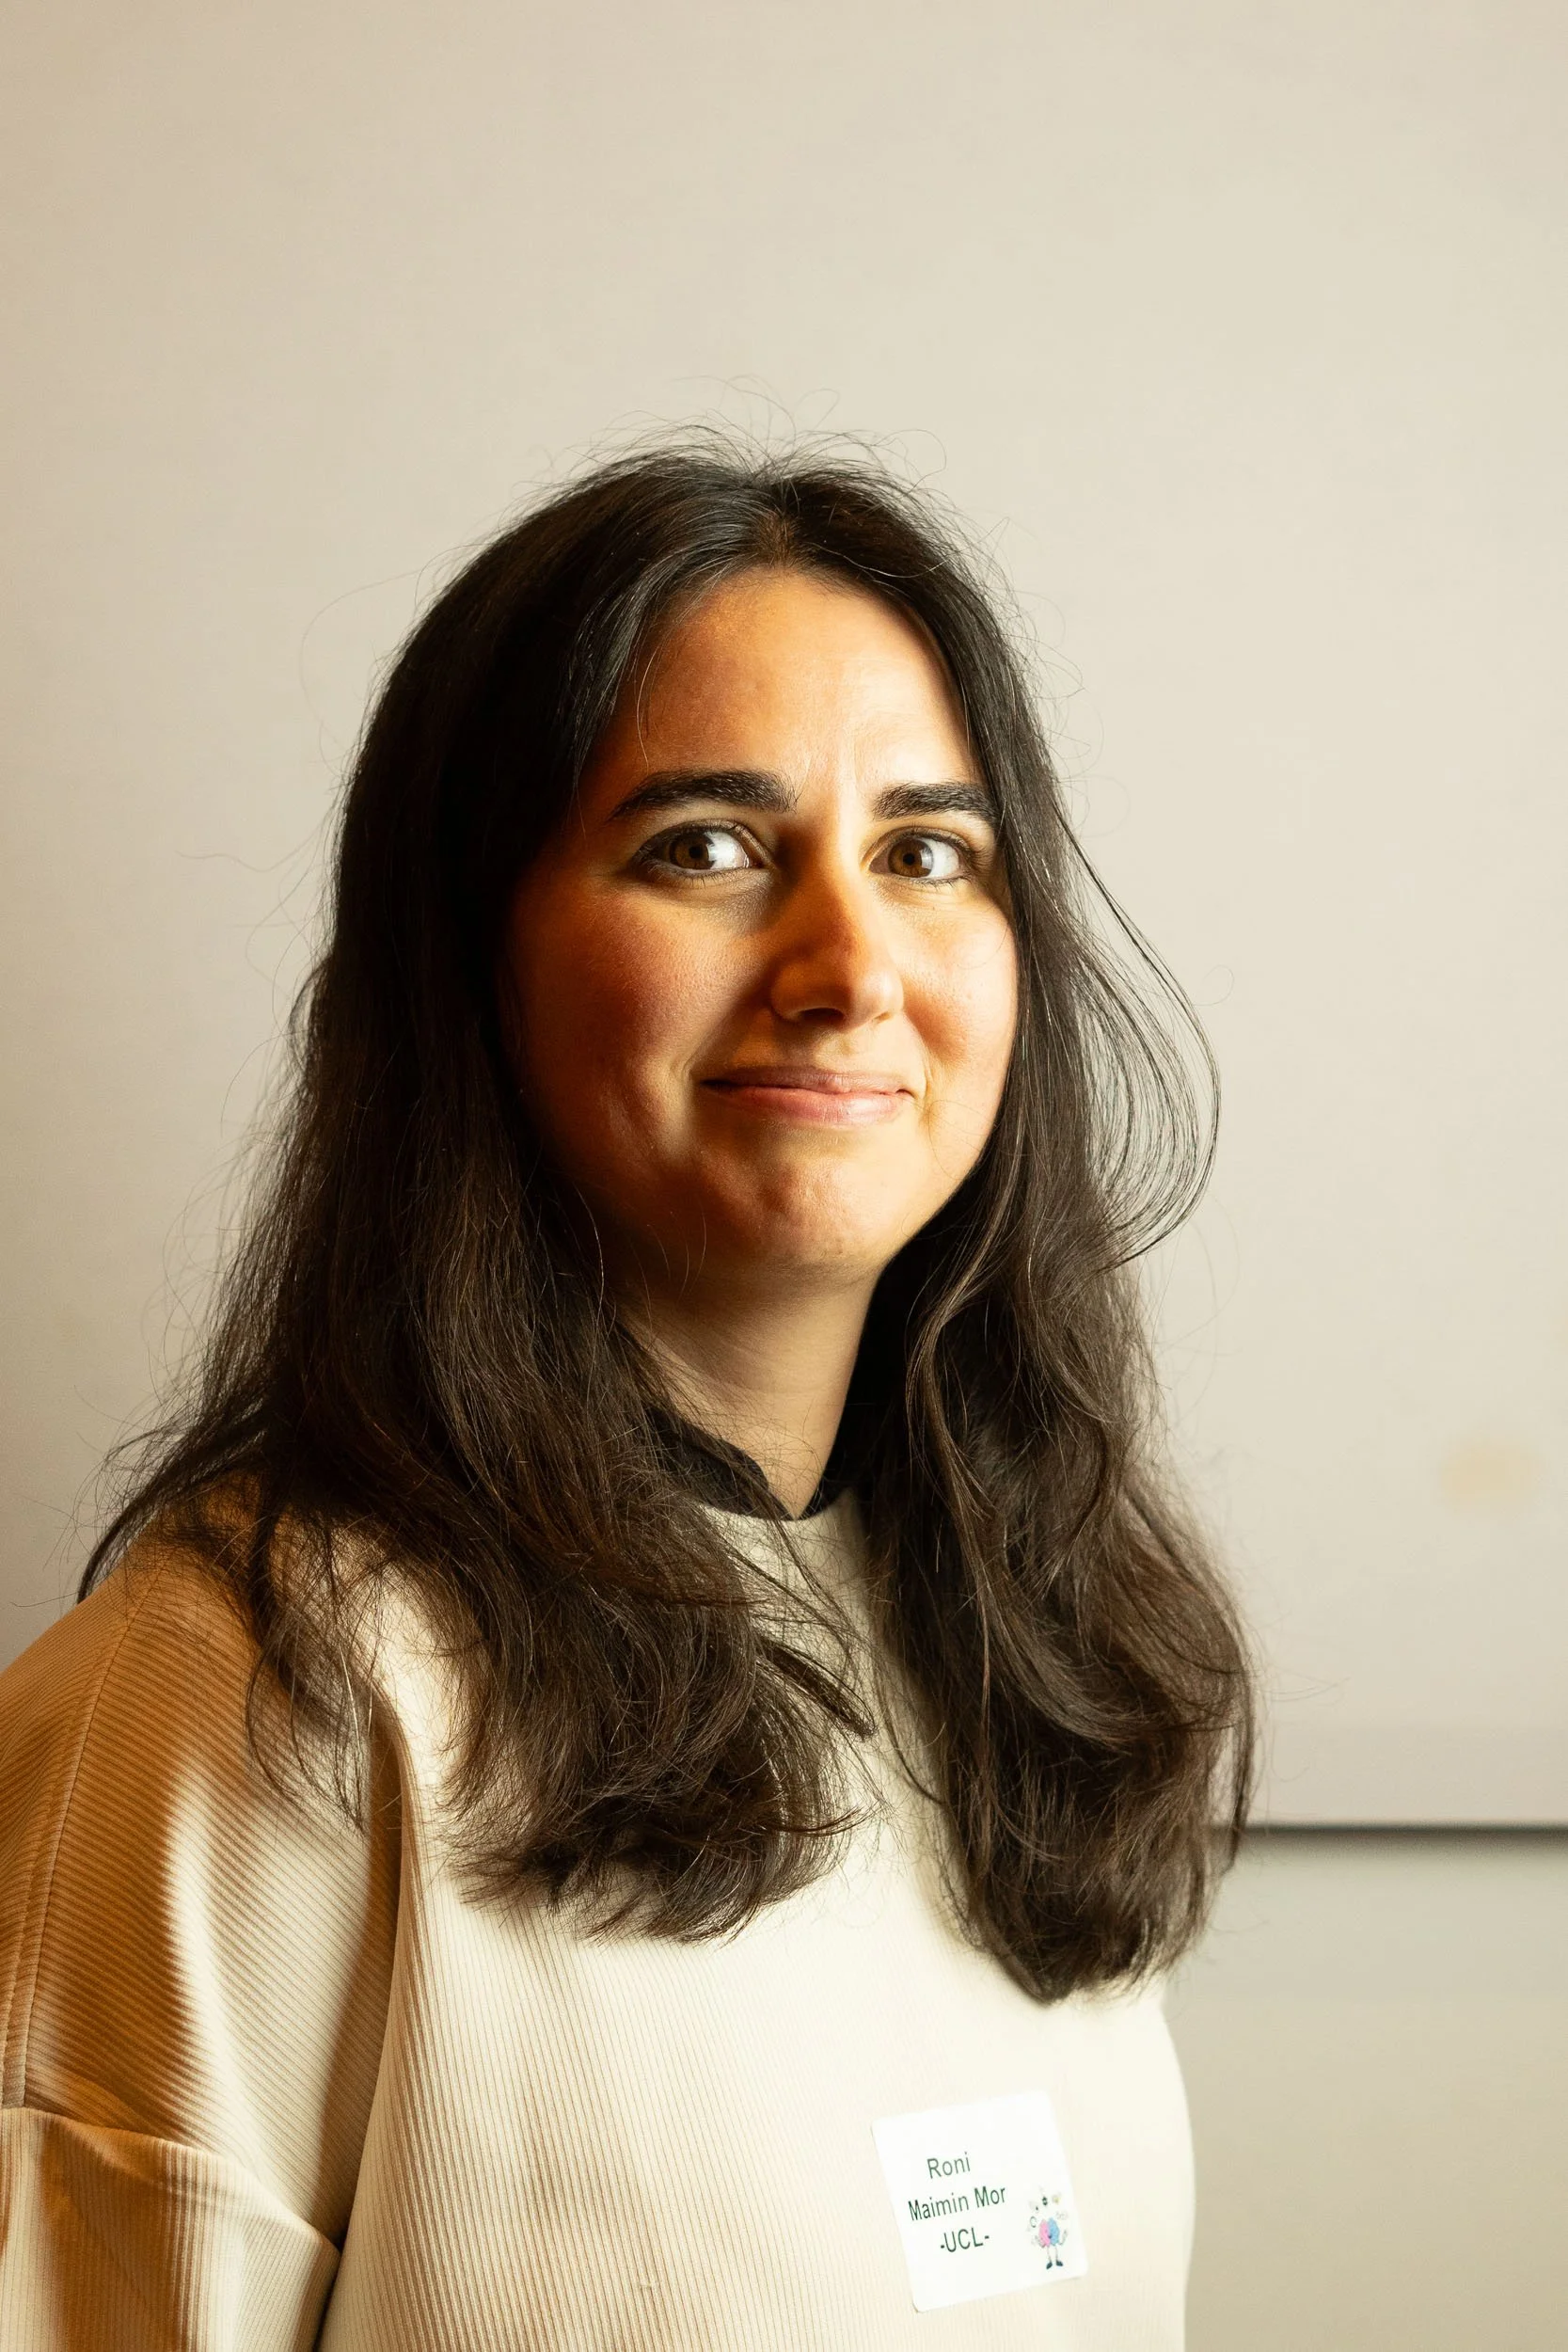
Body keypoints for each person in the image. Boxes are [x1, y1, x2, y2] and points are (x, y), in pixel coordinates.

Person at [0, 441, 1254, 2349]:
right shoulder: (250, 1686)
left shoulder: (1022, 1665)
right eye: (706, 847)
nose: (849, 967)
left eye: (927, 853)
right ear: (468, 959)